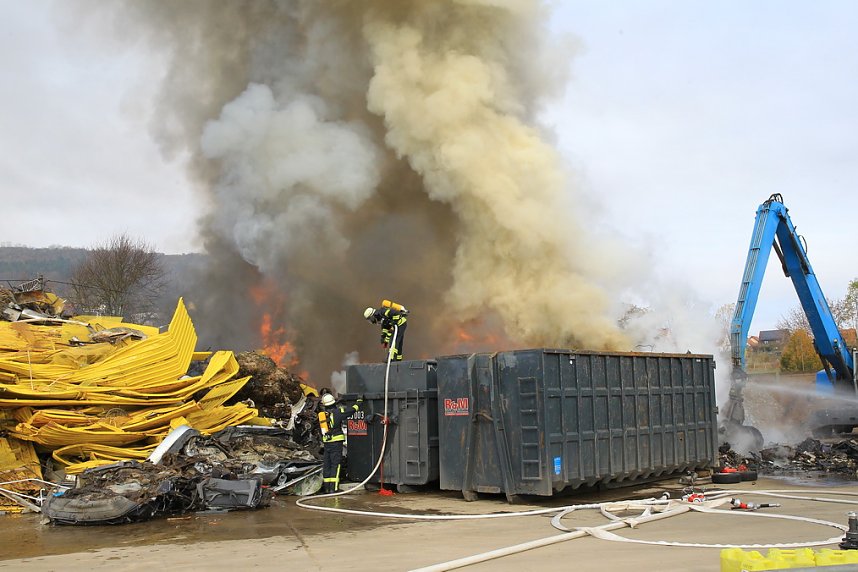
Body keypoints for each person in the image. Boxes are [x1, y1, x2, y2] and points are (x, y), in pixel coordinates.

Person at [318, 392, 363, 493]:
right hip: (336, 443)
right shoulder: (338, 412)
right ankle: (333, 489)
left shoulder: (322, 415)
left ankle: (327, 488)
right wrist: (359, 402)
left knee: (327, 465)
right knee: (336, 465)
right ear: (334, 403)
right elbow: (352, 410)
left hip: (327, 443)